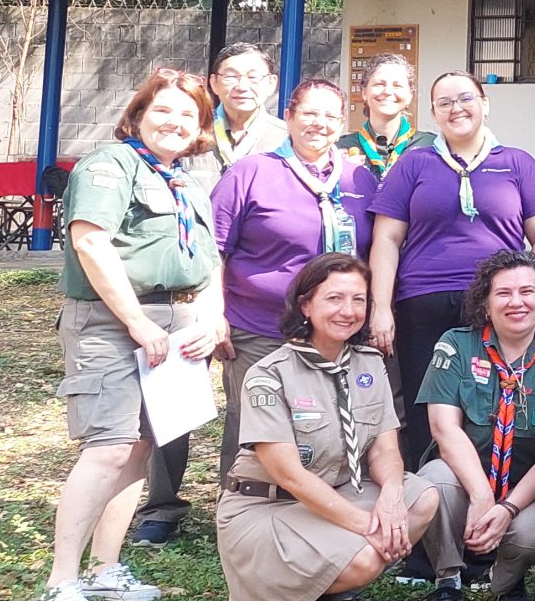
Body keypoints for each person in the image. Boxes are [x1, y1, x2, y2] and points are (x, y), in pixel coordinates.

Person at [133, 77, 379, 547]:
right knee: (251, 419)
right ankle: (234, 509)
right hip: (257, 323)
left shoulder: (357, 178)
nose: (319, 123)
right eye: (309, 113)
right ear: (288, 117)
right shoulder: (251, 172)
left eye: (330, 115)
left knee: (315, 420)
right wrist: (215, 313)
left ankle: (297, 504)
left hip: (331, 331)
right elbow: (213, 250)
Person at [37, 68, 226, 601]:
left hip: (179, 321)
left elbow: (210, 261)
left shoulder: (185, 181)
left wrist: (211, 319)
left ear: (200, 130)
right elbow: (91, 242)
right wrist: (138, 323)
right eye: (163, 111)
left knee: (142, 446)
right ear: (137, 116)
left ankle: (105, 568)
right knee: (108, 446)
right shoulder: (109, 165)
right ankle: (60, 582)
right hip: (114, 323)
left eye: (189, 116)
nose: (175, 123)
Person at [215, 252, 438, 601]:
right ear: (306, 304)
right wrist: (370, 527)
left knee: (422, 498)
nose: (348, 311)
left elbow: (385, 447)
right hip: (268, 506)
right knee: (369, 554)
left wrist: (390, 495)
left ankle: (327, 595)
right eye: (334, 299)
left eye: (358, 300)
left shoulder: (370, 363)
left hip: (332, 495)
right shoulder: (268, 375)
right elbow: (289, 474)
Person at [366, 71, 535, 467]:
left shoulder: (517, 163)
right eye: (445, 102)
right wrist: (381, 307)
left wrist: (532, 294)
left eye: (466, 98)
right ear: (434, 113)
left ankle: (495, 487)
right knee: (427, 403)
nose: (457, 108)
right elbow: (386, 239)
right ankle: (430, 492)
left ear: (485, 105)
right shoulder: (413, 164)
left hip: (497, 304)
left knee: (491, 399)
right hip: (422, 302)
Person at [408, 250, 535, 601]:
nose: (516, 302)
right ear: (485, 301)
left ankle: (507, 581)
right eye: (503, 293)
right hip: (463, 479)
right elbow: (444, 429)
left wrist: (508, 507)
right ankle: (448, 581)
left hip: (527, 488)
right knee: (432, 483)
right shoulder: (457, 346)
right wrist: (481, 496)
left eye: (527, 291)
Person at [197, 42, 289, 174]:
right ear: (214, 83)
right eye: (231, 77)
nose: (242, 87)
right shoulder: (192, 132)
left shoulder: (287, 139)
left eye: (253, 77)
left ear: (271, 83)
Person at [338, 53, 419, 174]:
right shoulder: (340, 148)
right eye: (379, 84)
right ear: (364, 92)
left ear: (409, 96)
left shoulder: (430, 146)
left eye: (397, 85)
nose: (388, 91)